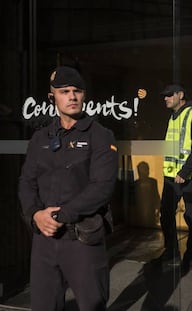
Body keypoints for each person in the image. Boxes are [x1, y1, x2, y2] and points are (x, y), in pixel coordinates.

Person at [18, 66, 118, 311]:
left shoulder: (100, 135)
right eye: (65, 91)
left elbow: (102, 187)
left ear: (84, 96)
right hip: (44, 239)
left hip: (82, 239)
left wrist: (60, 215)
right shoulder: (40, 139)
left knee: (91, 305)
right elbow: (26, 182)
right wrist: (34, 215)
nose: (72, 97)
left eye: (77, 91)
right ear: (53, 97)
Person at [157, 83, 192, 273]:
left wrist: (184, 172)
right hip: (171, 175)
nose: (166, 98)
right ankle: (171, 252)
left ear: (180, 95)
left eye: (169, 95)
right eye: (165, 96)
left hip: (187, 176)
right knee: (166, 214)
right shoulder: (174, 117)